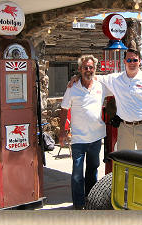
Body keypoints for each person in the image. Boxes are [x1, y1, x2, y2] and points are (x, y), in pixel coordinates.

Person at [68, 48, 142, 151]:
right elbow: (93, 77)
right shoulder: (116, 79)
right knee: (125, 161)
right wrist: (78, 77)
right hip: (124, 128)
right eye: (129, 60)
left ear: (140, 61)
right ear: (124, 61)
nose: (132, 63)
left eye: (135, 60)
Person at [59, 55, 112, 210]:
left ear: (95, 69)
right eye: (85, 67)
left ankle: (90, 202)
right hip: (78, 140)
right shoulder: (72, 87)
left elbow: (119, 84)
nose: (88, 70)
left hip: (96, 138)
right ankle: (78, 205)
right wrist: (62, 131)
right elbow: (63, 109)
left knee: (92, 171)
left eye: (91, 67)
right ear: (80, 69)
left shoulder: (101, 85)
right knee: (77, 175)